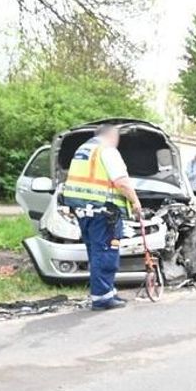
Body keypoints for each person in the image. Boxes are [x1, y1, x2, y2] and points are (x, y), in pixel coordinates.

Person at [60, 125, 143, 311]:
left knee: (96, 252)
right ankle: (102, 298)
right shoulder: (108, 151)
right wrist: (136, 202)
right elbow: (121, 182)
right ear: (111, 137)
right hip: (103, 211)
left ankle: (107, 291)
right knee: (106, 252)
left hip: (83, 210)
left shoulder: (83, 150)